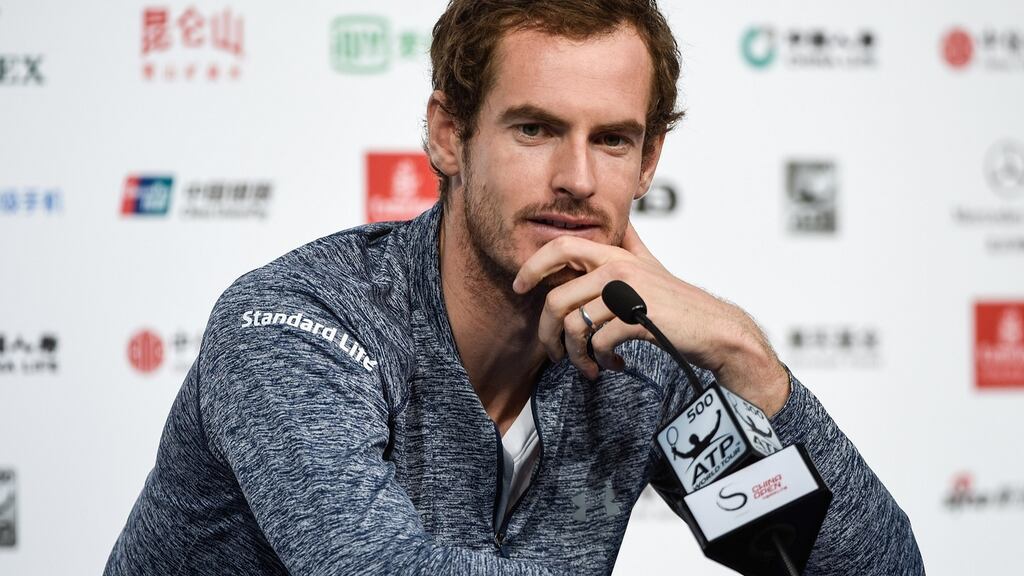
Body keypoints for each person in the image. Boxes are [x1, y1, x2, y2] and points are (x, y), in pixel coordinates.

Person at [105, 1, 924, 574]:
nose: (575, 178)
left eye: (611, 140)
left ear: (648, 165)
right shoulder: (294, 326)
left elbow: (862, 567)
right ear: (448, 133)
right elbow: (387, 570)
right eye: (534, 129)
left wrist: (747, 361)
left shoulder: (643, 360)